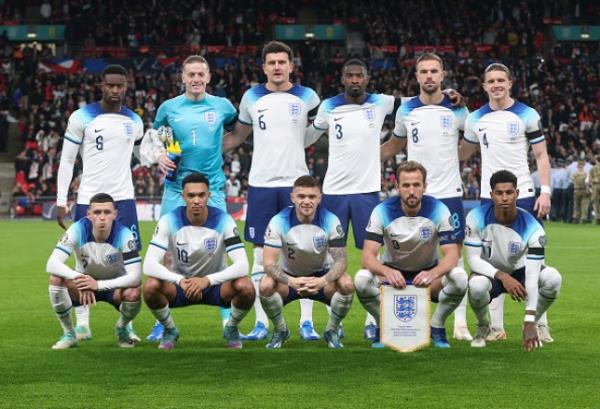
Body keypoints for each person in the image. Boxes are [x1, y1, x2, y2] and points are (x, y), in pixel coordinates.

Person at [223, 41, 322, 341]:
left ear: (292, 66)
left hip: (297, 183)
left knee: (305, 253)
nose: (277, 66)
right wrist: (195, 150)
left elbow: (319, 128)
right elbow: (237, 137)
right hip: (262, 184)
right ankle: (262, 322)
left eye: (282, 62)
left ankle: (307, 322)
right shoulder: (251, 97)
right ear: (264, 67)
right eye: (272, 62)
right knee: (259, 257)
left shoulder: (308, 96)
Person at [145, 55, 238, 341]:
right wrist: (159, 155)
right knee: (164, 252)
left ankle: (227, 317)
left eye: (201, 74)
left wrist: (221, 151)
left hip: (214, 188)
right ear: (182, 78)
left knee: (223, 249)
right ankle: (163, 323)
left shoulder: (223, 106)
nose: (196, 79)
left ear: (209, 77)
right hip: (176, 189)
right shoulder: (168, 108)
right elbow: (154, 138)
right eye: (191, 74)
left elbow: (237, 132)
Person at [380, 52, 472, 341]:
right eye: (424, 71)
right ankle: (401, 318)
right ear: (417, 77)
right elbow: (394, 144)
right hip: (415, 195)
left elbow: (469, 144)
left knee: (455, 260)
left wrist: (451, 162)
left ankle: (459, 323)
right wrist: (365, 160)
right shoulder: (406, 110)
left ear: (442, 75)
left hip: (449, 193)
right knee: (408, 252)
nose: (429, 76)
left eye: (434, 71)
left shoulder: (458, 109)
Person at [460, 62, 552, 342]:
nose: (497, 85)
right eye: (491, 81)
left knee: (533, 261)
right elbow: (462, 153)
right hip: (489, 198)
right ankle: (496, 327)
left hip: (522, 194)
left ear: (510, 83)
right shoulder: (475, 118)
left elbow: (541, 156)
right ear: (484, 86)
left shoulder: (527, 114)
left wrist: (545, 190)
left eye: (501, 80)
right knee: (492, 260)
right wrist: (458, 112)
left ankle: (539, 322)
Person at [56, 64, 144, 343]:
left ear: (127, 86)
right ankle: (82, 324)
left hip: (124, 199)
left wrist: (161, 155)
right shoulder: (81, 117)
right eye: (110, 85)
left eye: (120, 86)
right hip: (87, 199)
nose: (115, 90)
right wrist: (61, 200)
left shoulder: (135, 121)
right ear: (101, 86)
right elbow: (68, 160)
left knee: (127, 263)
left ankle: (125, 324)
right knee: (84, 261)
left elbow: (143, 155)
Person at [354, 161, 467, 348]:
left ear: (425, 187)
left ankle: (437, 326)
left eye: (416, 185)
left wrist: (433, 274)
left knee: (460, 278)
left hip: (428, 277)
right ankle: (383, 325)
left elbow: (452, 255)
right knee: (361, 279)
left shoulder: (438, 209)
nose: (412, 190)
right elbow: (367, 257)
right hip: (391, 276)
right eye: (406, 185)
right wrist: (386, 272)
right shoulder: (382, 211)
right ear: (397, 187)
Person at [142, 173, 254, 350]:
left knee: (246, 287)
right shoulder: (169, 220)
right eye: (191, 195)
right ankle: (170, 329)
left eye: (201, 195)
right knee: (150, 287)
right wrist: (179, 280)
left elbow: (243, 265)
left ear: (208, 196)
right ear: (183, 197)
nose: (196, 200)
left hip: (216, 286)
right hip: (181, 286)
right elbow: (148, 264)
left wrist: (207, 280)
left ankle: (231, 328)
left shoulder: (223, 220)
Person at [465, 170, 562, 350]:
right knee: (476, 285)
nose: (504, 198)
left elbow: (532, 276)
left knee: (553, 278)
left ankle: (534, 324)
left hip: (521, 272)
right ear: (491, 194)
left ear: (516, 194)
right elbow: (472, 260)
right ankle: (484, 325)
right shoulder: (475, 217)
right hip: (490, 273)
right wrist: (502, 276)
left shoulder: (533, 227)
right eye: (499, 193)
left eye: (509, 192)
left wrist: (529, 318)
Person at [260, 175, 353, 349]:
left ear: (320, 198)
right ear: (292, 197)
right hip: (289, 278)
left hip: (321, 276)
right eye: (301, 196)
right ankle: (280, 330)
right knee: (265, 285)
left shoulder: (330, 220)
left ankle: (331, 330)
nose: (306, 201)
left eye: (312, 196)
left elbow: (341, 261)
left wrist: (323, 281)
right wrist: (290, 281)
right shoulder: (279, 221)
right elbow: (269, 264)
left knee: (347, 284)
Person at [46, 193, 142, 349]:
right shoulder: (78, 229)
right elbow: (52, 264)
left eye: (107, 212)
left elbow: (136, 277)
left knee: (134, 292)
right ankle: (69, 334)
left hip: (114, 288)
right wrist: (80, 278)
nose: (102, 217)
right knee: (56, 278)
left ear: (115, 214)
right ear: (88, 214)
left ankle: (123, 327)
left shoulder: (124, 234)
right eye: (97, 212)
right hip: (83, 287)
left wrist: (97, 285)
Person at [588, 155, 600, 225]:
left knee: (595, 202)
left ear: (596, 160)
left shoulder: (593, 168)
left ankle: (597, 218)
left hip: (595, 186)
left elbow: (590, 179)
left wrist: (589, 187)